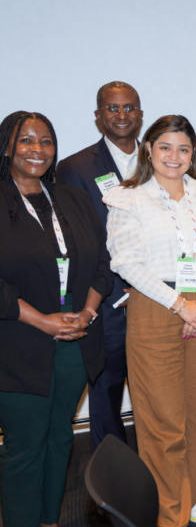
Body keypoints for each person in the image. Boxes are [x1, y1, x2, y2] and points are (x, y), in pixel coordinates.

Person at [104, 115, 196, 525]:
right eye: (165, 147)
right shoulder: (128, 198)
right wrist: (182, 306)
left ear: (193, 153)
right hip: (155, 306)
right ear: (149, 150)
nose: (174, 157)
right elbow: (125, 262)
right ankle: (168, 514)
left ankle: (188, 495)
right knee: (162, 421)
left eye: (183, 148)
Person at [0, 111, 113, 527]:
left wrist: (87, 310)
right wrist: (42, 321)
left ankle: (50, 520)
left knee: (60, 436)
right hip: (17, 345)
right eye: (25, 140)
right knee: (25, 446)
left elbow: (102, 261)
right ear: (7, 146)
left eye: (45, 141)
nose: (37, 150)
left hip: (75, 342)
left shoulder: (73, 199)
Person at [56, 81, 142, 457]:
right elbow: (75, 240)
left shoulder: (163, 159)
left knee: (157, 389)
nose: (121, 115)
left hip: (160, 296)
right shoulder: (74, 168)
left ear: (140, 114)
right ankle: (114, 485)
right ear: (97, 116)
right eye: (112, 108)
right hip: (107, 301)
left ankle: (160, 472)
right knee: (106, 391)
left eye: (129, 108)